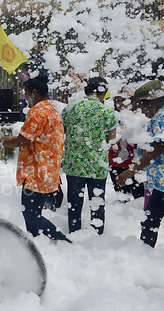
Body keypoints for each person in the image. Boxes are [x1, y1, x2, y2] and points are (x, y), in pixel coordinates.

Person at [0, 75, 70, 243]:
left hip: (36, 172)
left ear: (34, 92)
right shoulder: (53, 111)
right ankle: (33, 243)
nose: (25, 98)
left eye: (25, 93)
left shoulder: (38, 112)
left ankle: (61, 240)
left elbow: (21, 140)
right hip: (47, 170)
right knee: (32, 213)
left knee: (31, 214)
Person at [62, 77, 117, 235]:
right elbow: (111, 142)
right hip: (97, 166)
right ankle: (97, 235)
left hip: (74, 166)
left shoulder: (69, 109)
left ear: (85, 90)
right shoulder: (108, 113)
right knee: (97, 205)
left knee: (74, 205)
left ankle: (74, 233)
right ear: (104, 92)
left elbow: (63, 133)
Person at [117, 80, 164, 247]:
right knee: (149, 221)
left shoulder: (162, 116)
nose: (142, 112)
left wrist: (131, 171)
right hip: (161, 183)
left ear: (152, 102)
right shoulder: (161, 114)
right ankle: (145, 255)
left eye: (142, 106)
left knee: (150, 221)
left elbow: (158, 148)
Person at [108, 86, 144, 200]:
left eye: (123, 100)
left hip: (134, 164)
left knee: (139, 198)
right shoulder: (112, 117)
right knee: (122, 197)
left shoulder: (140, 117)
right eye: (117, 100)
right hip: (115, 162)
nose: (119, 103)